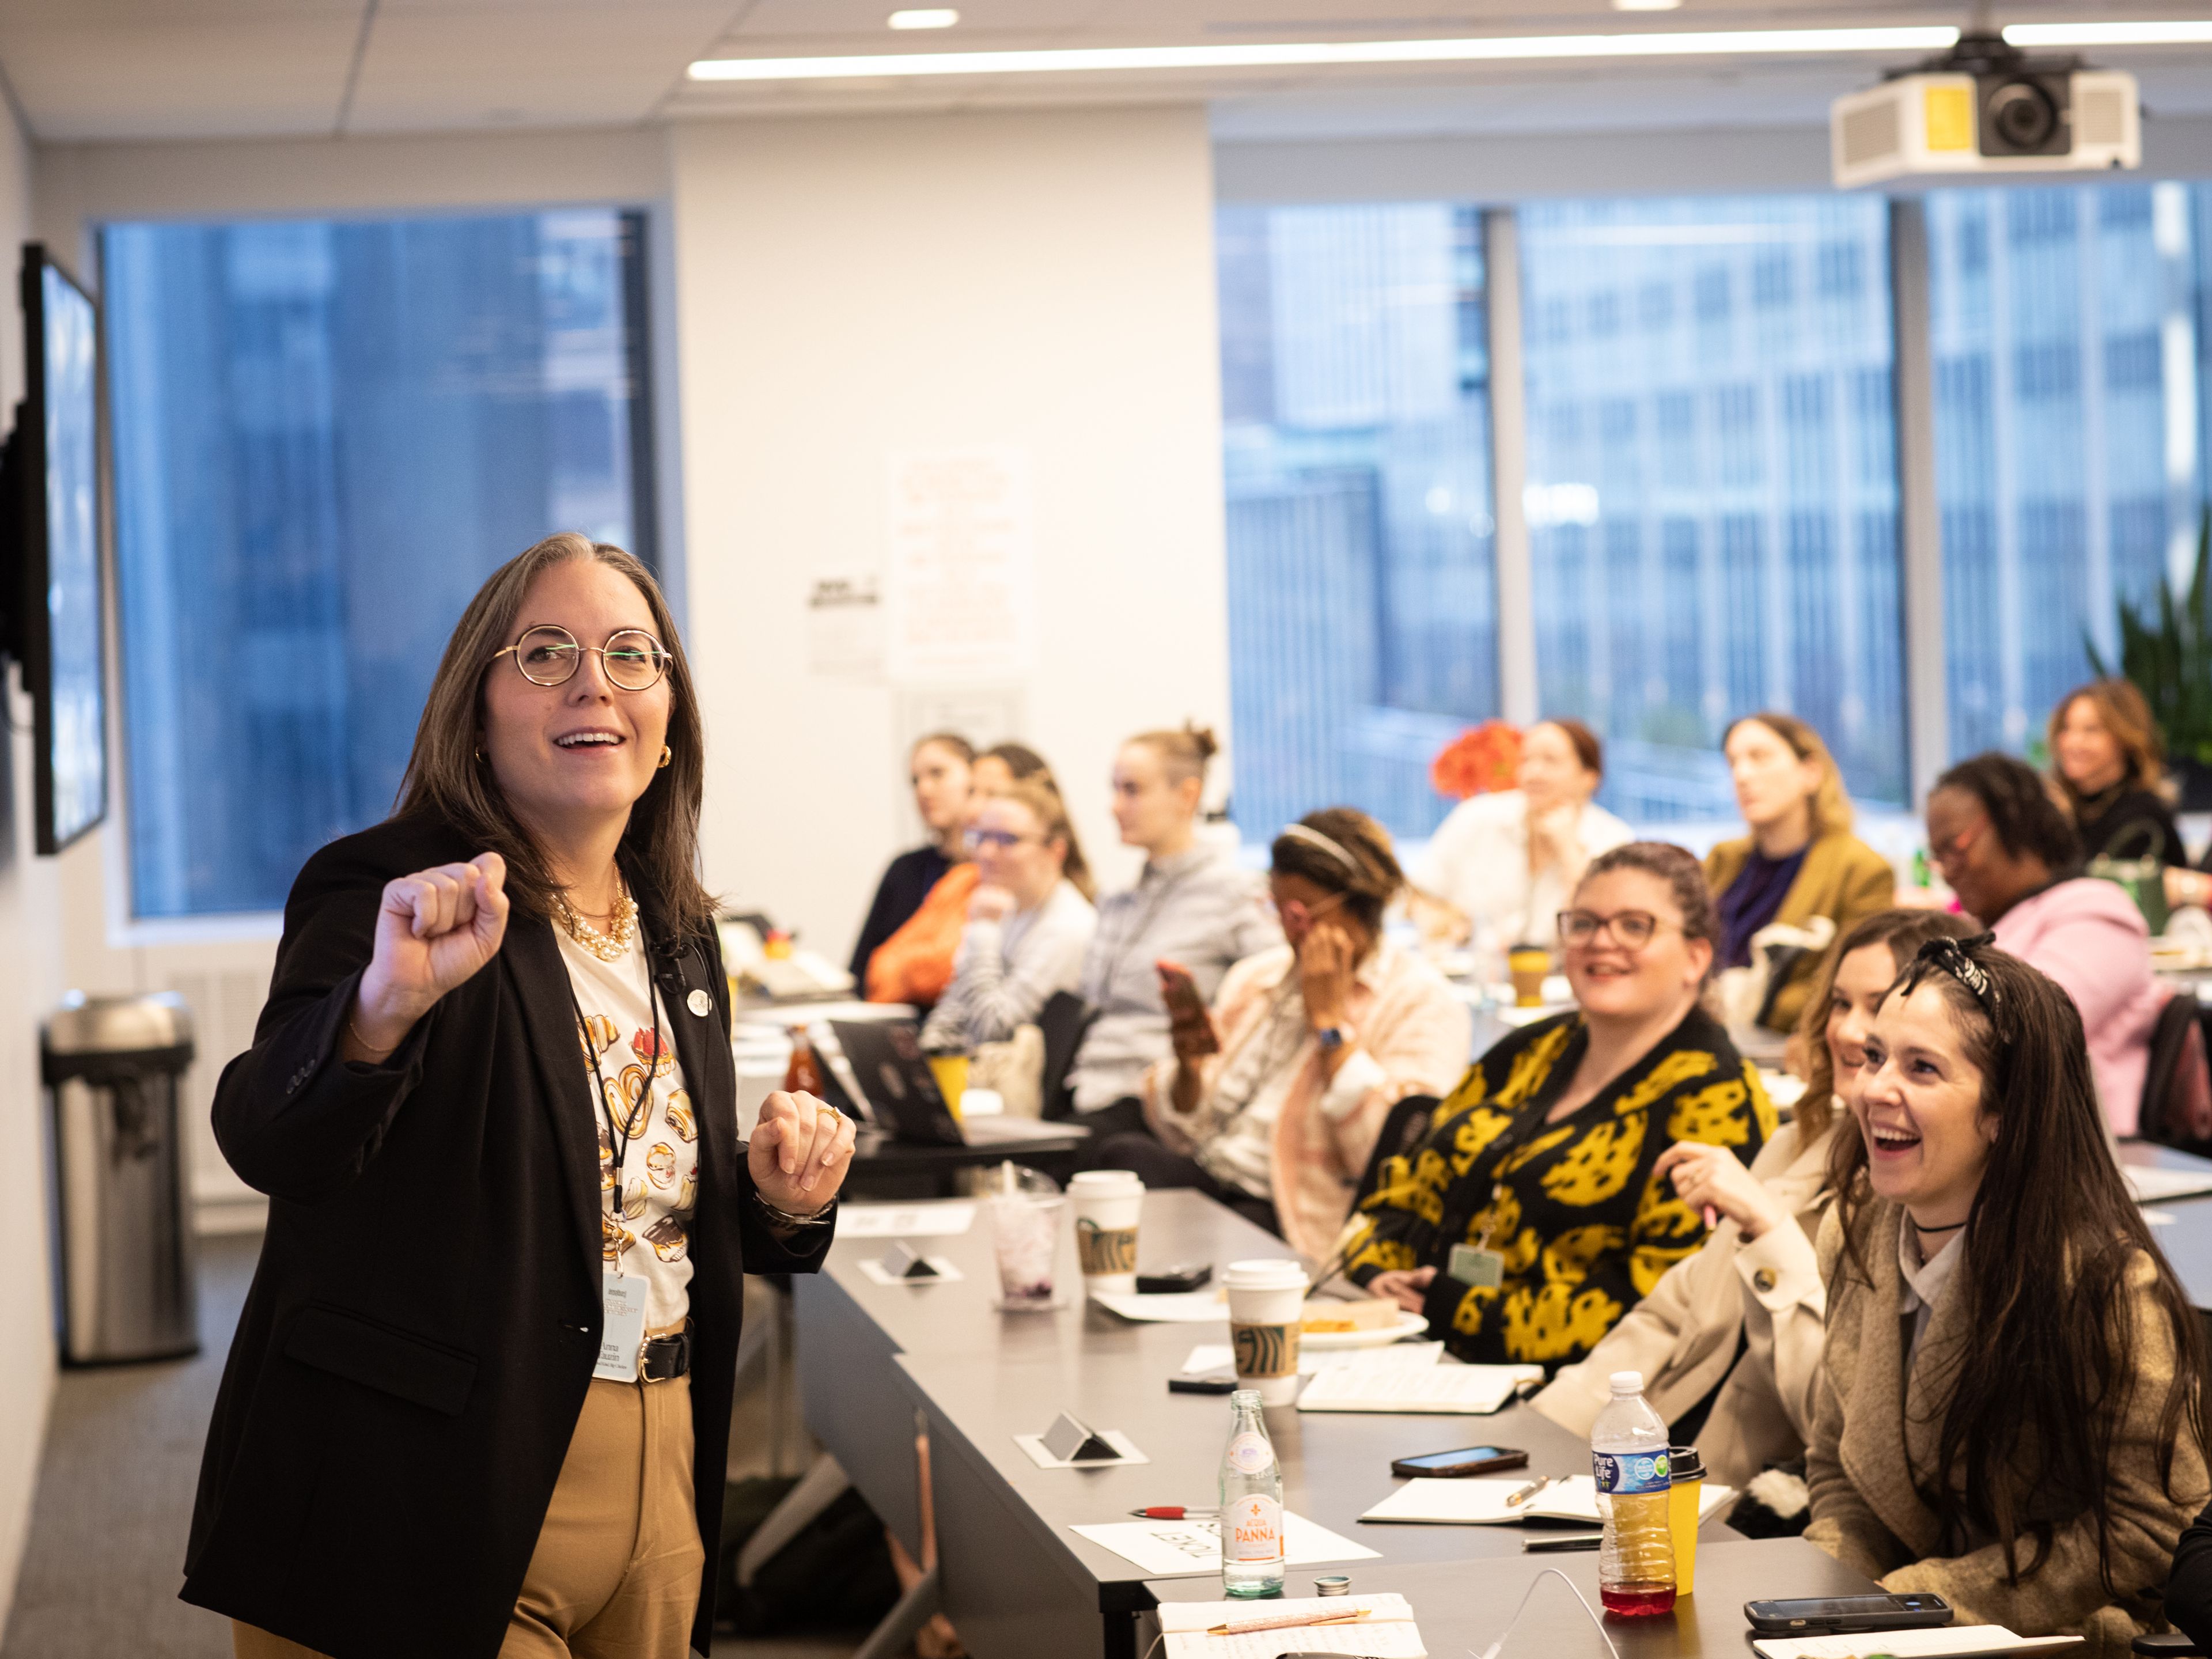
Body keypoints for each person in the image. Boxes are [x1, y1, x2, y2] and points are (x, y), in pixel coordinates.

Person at [183, 534, 857, 1659]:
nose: (594, 681)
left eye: (632, 655)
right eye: (545, 653)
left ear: (670, 719)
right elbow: (271, 1139)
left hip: (663, 1463)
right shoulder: (398, 894)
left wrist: (775, 1197)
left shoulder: (681, 936)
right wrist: (382, 1006)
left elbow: (642, 1208)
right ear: (476, 708)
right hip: (432, 1481)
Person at [1804, 937, 2208, 1656]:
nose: (1872, 1089)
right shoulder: (1858, 1233)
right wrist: (1829, 1605)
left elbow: (2150, 1531)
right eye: (1875, 1057)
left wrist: (1915, 1600)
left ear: (2003, 1113)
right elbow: (1841, 1468)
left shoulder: (2102, 1283)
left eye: (1921, 1068)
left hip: (2059, 1639)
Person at [1531, 909, 1975, 1487]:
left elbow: (1841, 1424)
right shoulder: (1801, 1141)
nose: (1845, 1029)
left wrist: (1769, 1230)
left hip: (1745, 1501)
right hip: (1649, 1469)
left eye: (1877, 1005)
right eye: (1840, 1003)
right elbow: (1668, 1318)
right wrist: (1539, 1441)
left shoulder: (1921, 1194)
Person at [1347, 842, 1775, 1370]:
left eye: (1635, 925)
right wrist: (1375, 1274)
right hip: (1409, 1345)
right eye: (1584, 923)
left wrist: (1454, 1308)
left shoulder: (1717, 1099)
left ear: (1695, 957)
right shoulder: (1528, 1050)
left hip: (1568, 1393)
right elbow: (1406, 1184)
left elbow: (1663, 1303)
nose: (1602, 943)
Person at [1097, 809, 1469, 1248]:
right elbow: (1183, 1132)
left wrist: (1330, 1026)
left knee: (1221, 1227)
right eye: (1279, 909)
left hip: (1294, 1212)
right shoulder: (1259, 978)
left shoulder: (1421, 1001)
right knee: (1117, 1156)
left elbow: (1391, 1161)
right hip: (1216, 1176)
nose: (1289, 931)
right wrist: (1189, 1066)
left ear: (1359, 904)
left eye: (1301, 913)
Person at [1925, 752, 2163, 1134]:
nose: (1948, 872)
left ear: (2012, 822)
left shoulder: (2097, 911)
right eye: (1937, 857)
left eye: (1955, 848)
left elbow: (2028, 1030)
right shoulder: (1982, 925)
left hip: (2073, 1149)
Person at [1064, 725, 1281, 1131]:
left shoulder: (1233, 894)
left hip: (1153, 1105)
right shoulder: (1120, 899)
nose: (1115, 806)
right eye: (1115, 789)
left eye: (1133, 790)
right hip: (1086, 1092)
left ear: (1187, 796)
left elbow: (1278, 991)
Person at [1706, 713, 1895, 1035]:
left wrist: (1738, 1003)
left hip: (1789, 1049)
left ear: (1811, 772)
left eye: (1759, 757)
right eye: (1733, 762)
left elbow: (1850, 992)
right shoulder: (1723, 860)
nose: (1742, 775)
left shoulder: (1861, 870)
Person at [1411, 718, 1633, 952]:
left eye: (1551, 761)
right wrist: (1445, 924)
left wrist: (1568, 850)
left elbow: (1603, 932)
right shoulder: (1477, 817)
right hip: (1473, 976)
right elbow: (1419, 893)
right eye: (1526, 760)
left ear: (1589, 777)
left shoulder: (1613, 840)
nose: (1533, 773)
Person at [919, 777, 1097, 1054]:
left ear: (1056, 851)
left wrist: (983, 932)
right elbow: (952, 1011)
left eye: (1007, 839)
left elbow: (994, 1030)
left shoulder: (1071, 927)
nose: (987, 852)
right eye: (981, 837)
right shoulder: (1005, 909)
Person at [849, 732, 973, 984]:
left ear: (974, 780)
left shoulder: (994, 871)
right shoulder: (905, 869)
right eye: (915, 781)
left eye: (938, 773)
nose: (924, 790)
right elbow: (860, 972)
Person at [2047, 679, 2187, 870]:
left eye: (2091, 730)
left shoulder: (2143, 814)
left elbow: (2092, 890)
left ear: (2124, 738)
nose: (2073, 742)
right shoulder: (2064, 806)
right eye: (2067, 728)